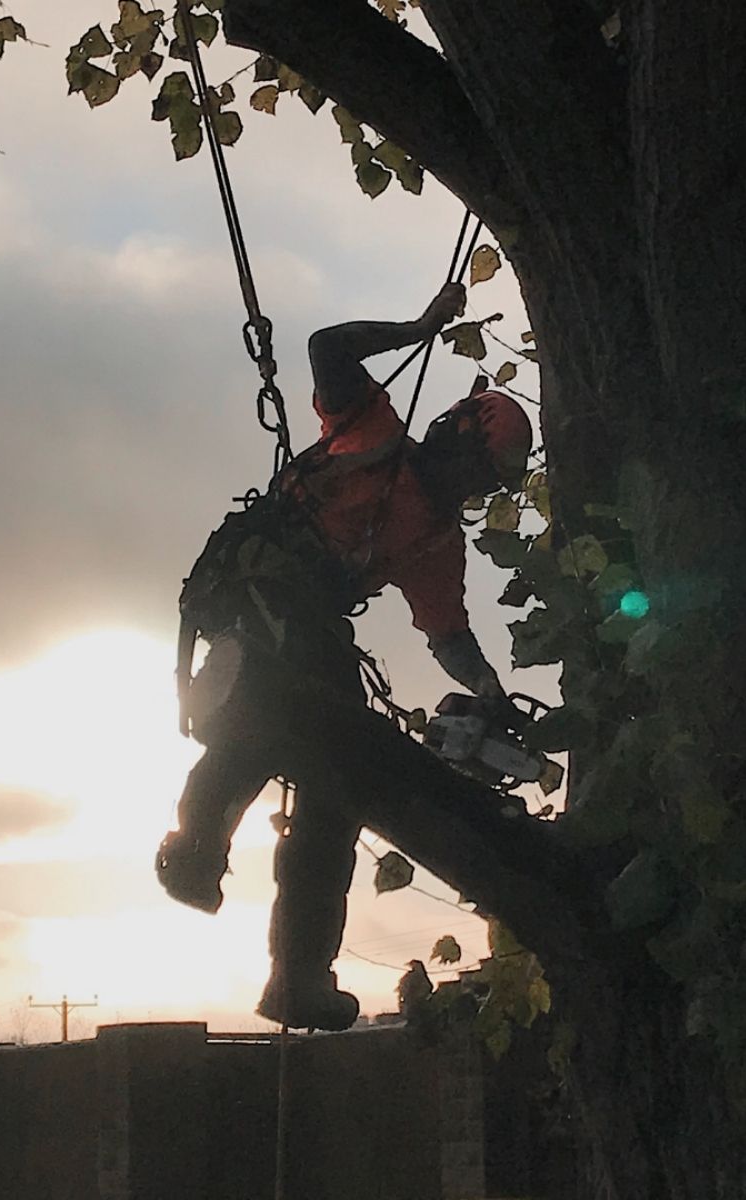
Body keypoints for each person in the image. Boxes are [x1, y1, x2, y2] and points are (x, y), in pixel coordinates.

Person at [156, 282, 533, 1031]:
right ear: (457, 435)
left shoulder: (435, 542)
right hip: (262, 591)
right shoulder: (373, 429)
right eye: (479, 473)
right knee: (262, 718)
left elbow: (448, 635)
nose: (473, 489)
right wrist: (419, 327)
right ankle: (199, 849)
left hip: (309, 625)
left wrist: (490, 691)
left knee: (336, 787)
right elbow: (328, 346)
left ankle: (297, 974)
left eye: (486, 484)